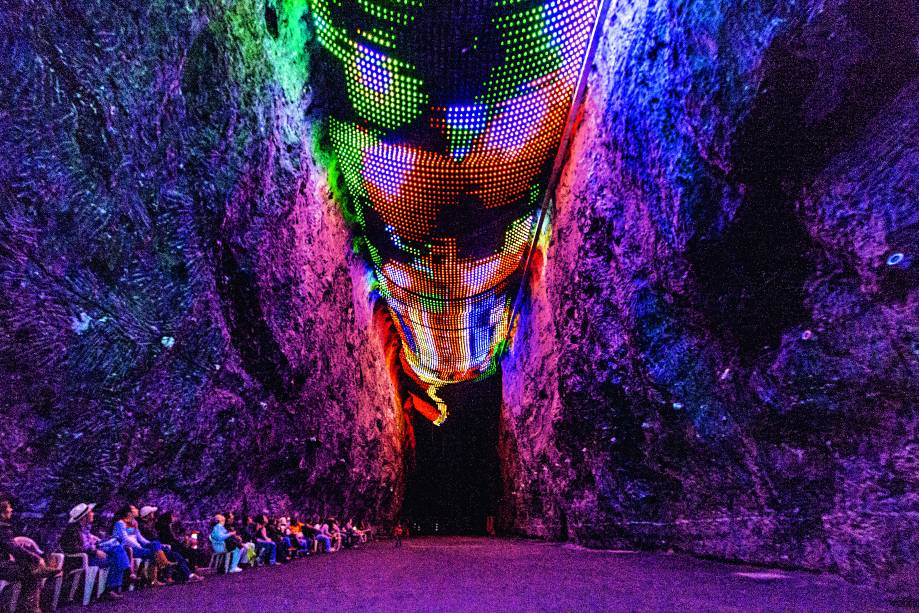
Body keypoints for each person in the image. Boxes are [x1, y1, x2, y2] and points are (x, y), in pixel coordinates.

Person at [0, 496, 61, 613]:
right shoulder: (2, 529)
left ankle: (28, 607)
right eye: (9, 507)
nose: (11, 509)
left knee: (28, 571)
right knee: (31, 573)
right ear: (2, 511)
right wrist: (36, 558)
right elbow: (14, 548)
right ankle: (31, 608)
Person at [59, 502, 129, 599]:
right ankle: (112, 588)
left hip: (90, 555)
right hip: (83, 559)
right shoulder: (73, 530)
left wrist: (95, 544)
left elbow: (87, 544)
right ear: (84, 517)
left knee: (117, 549)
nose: (93, 514)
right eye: (91, 512)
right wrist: (95, 551)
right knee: (116, 560)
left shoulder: (84, 528)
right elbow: (73, 548)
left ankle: (114, 586)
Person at [112, 505, 172, 586]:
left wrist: (148, 544)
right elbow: (125, 539)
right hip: (129, 548)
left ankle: (157, 573)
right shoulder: (120, 523)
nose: (137, 510)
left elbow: (139, 537)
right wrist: (139, 546)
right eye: (134, 509)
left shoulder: (134, 523)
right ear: (129, 513)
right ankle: (156, 575)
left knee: (154, 544)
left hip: (137, 547)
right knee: (154, 552)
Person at [138, 506, 199, 583]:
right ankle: (170, 572)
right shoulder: (143, 526)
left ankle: (189, 575)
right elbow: (149, 539)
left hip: (159, 546)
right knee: (178, 552)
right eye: (152, 513)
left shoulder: (152, 525)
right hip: (152, 547)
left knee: (177, 555)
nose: (153, 514)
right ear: (148, 514)